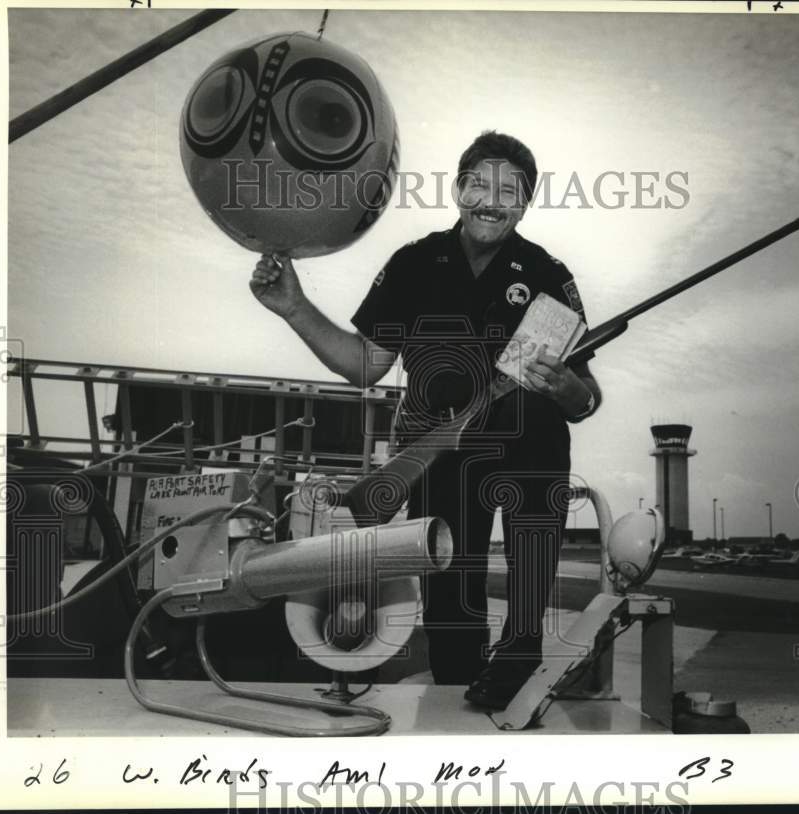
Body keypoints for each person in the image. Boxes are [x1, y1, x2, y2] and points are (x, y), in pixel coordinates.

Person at [250, 131, 601, 709]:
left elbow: (587, 399)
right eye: (480, 184)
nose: (492, 199)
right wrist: (294, 307)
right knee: (448, 605)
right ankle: (460, 688)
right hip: (439, 451)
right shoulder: (414, 263)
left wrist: (568, 389)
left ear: (525, 203)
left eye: (510, 191)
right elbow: (365, 365)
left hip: (527, 451)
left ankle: (521, 649)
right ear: (458, 189)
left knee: (536, 437)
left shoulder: (546, 273)